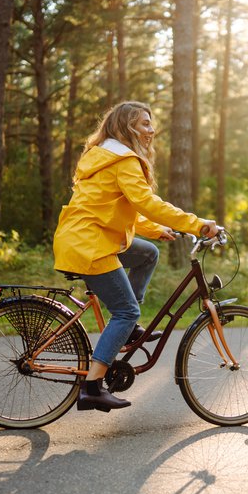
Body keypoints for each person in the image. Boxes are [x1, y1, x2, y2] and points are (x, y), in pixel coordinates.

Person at [53, 101, 219, 412]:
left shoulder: (102, 155)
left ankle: (127, 330)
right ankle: (92, 386)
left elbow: (120, 207)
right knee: (126, 310)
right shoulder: (122, 159)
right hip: (91, 244)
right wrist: (196, 223)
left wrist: (158, 230)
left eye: (150, 123)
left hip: (81, 237)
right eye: (144, 123)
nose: (151, 130)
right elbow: (146, 202)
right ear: (126, 127)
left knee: (147, 253)